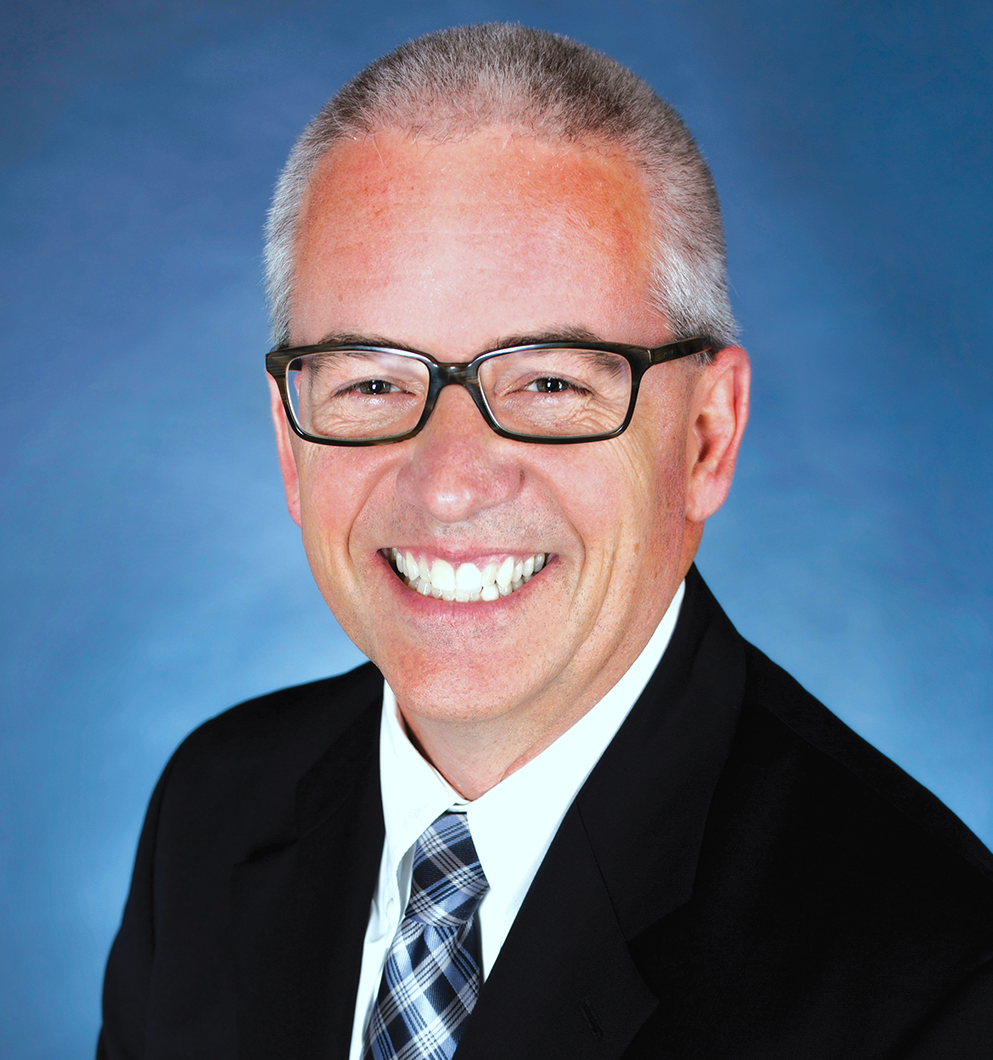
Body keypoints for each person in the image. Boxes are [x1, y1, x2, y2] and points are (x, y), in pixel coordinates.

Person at [98, 23, 993, 1060]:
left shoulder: (933, 981)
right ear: (291, 443)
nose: (451, 483)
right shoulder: (214, 808)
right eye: (373, 382)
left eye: (554, 381)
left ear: (707, 436)